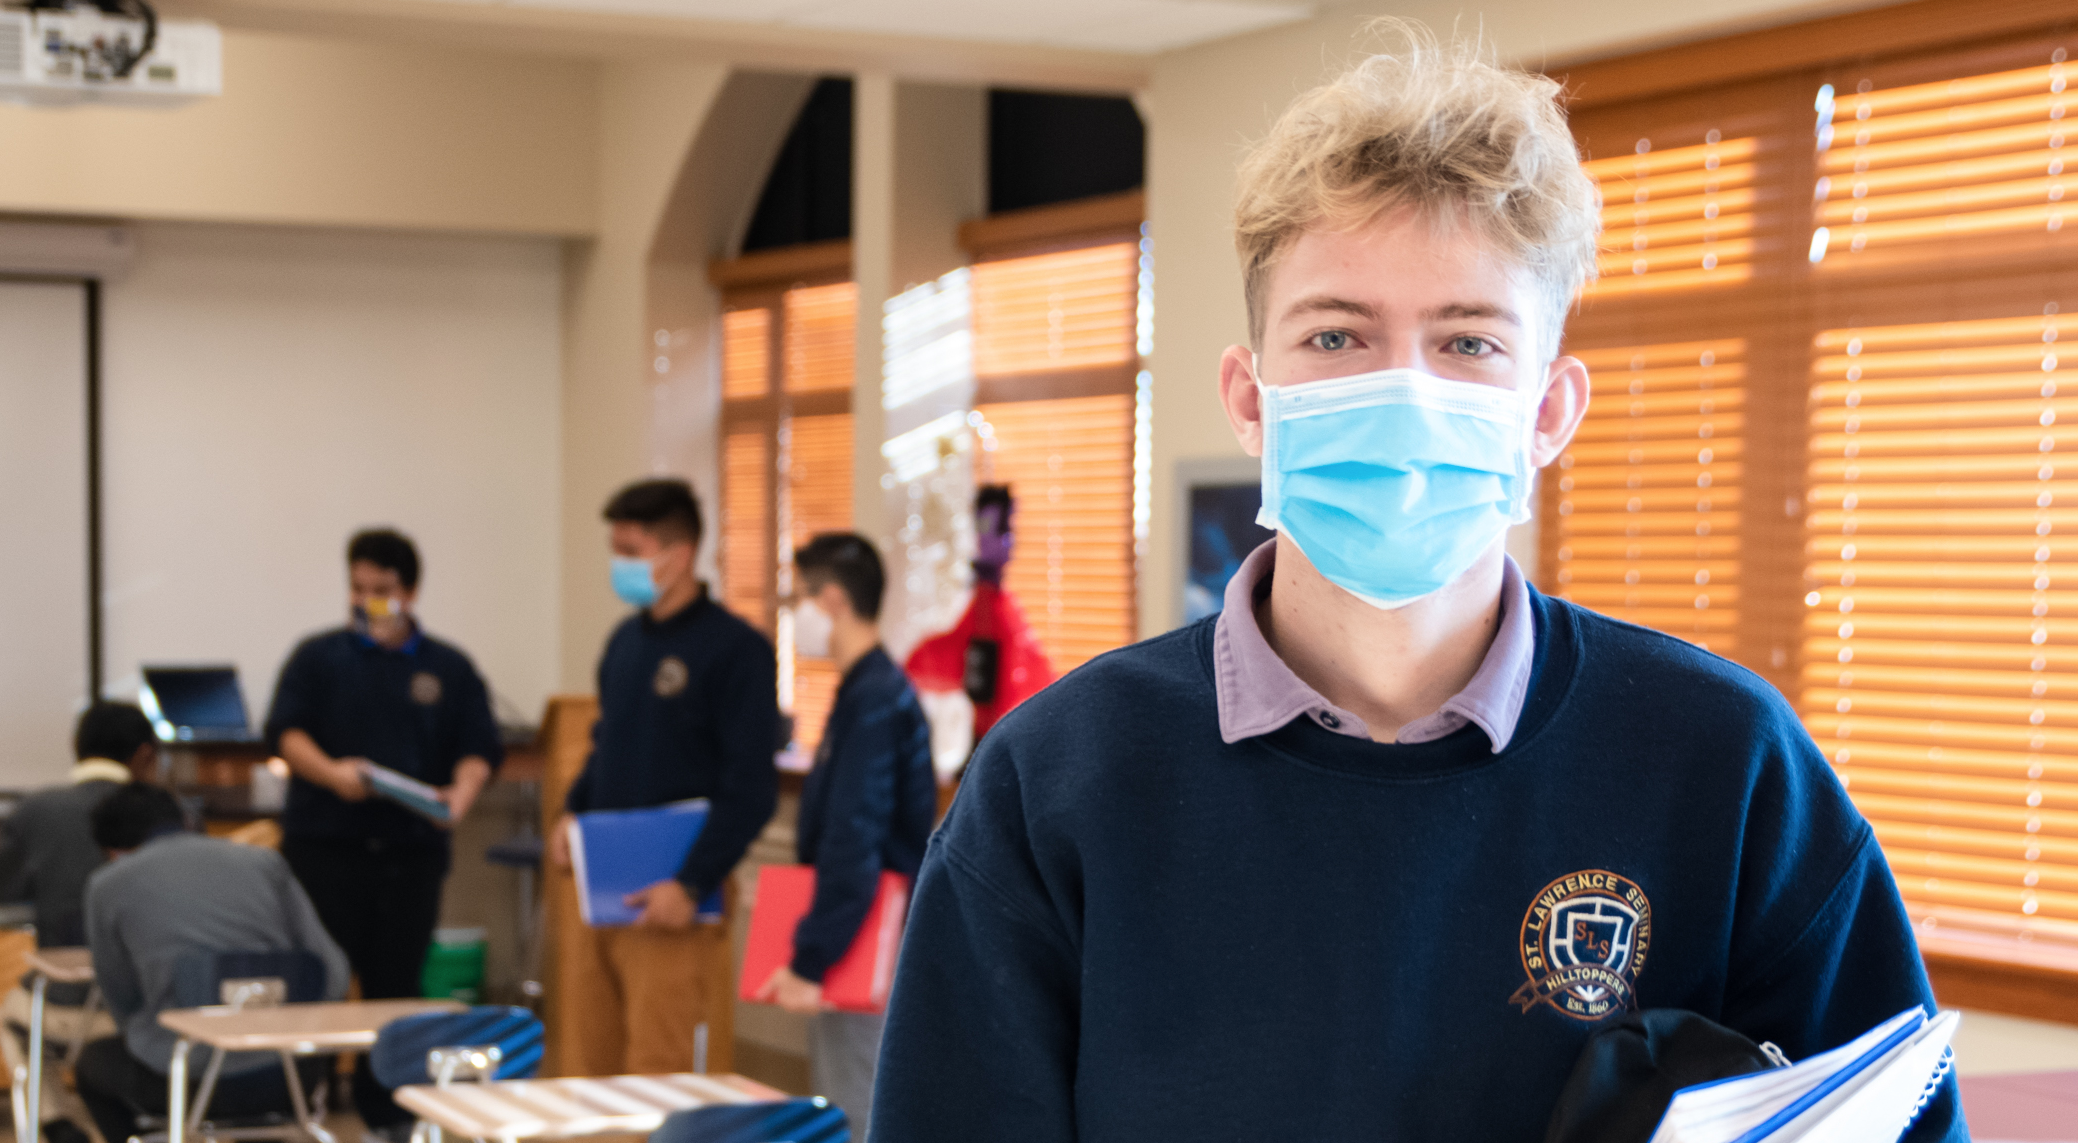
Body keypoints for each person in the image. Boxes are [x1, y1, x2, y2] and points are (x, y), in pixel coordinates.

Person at [871, 29, 1965, 1143]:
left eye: (1468, 344)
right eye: (1336, 335)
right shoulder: (1055, 789)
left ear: (1548, 411)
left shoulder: (1725, 771)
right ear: (1250, 401)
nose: (1400, 391)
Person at [262, 527, 501, 1131]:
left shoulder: (447, 667)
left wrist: (463, 793)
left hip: (409, 853)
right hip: (326, 848)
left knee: (395, 990)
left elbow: (478, 747)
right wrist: (330, 773)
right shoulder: (318, 657)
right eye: (358, 587)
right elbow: (286, 733)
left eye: (382, 589)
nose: (368, 599)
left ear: (410, 590)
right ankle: (305, 1107)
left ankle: (387, 1116)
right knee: (318, 983)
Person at [550, 478, 778, 1075]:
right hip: (604, 895)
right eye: (616, 550)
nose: (619, 564)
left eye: (630, 550)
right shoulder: (624, 642)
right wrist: (569, 815)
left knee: (661, 1072)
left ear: (677, 556)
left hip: (677, 902)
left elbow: (751, 788)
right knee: (591, 1072)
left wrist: (693, 883)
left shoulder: (736, 650)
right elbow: (607, 747)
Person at [751, 533, 934, 1136]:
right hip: (855, 931)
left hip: (866, 941)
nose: (795, 614)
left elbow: (853, 837)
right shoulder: (862, 692)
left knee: (857, 1110)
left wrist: (813, 959)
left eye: (800, 597)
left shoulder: (877, 699)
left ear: (831, 600)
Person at [77, 783, 349, 1143]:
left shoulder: (107, 884)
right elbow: (334, 972)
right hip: (290, 1078)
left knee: (92, 1064)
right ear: (186, 821)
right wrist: (296, 1034)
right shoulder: (264, 862)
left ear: (113, 850)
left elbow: (121, 999)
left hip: (181, 1079)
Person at [0, 703, 156, 1140]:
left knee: (12, 1015)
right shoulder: (171, 815)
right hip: (156, 1005)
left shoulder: (36, 811)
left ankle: (53, 1120)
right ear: (146, 756)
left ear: (75, 747)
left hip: (69, 1005)